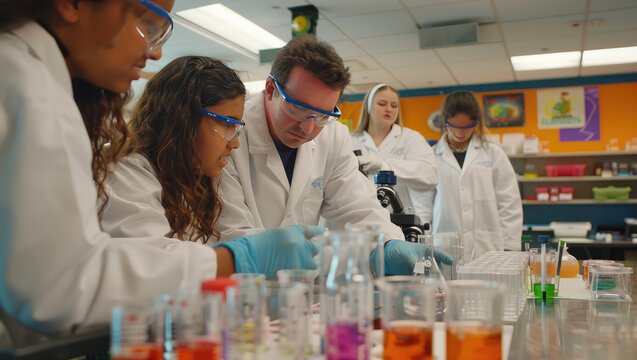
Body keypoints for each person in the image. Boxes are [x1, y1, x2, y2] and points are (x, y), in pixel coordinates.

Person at [0, 0, 316, 334]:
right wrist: (235, 261)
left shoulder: (32, 78)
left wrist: (272, 250)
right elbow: (61, 284)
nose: (154, 53)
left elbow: (232, 233)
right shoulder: (27, 86)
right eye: (148, 23)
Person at [217, 34, 451, 275]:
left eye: (322, 114)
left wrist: (387, 243)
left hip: (302, 292)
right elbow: (230, 233)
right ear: (270, 90)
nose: (308, 128)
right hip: (240, 289)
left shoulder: (332, 136)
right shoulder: (229, 131)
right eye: (298, 108)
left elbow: (357, 206)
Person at [100, 55, 321, 280]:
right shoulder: (126, 174)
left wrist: (282, 249)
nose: (235, 143)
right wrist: (245, 258)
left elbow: (237, 234)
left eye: (236, 127)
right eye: (226, 124)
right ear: (183, 119)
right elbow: (151, 266)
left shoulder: (209, 177)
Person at [416, 91, 522, 261]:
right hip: (444, 247)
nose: (460, 132)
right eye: (454, 125)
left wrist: (510, 247)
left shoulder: (493, 154)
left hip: (488, 248)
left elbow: (509, 204)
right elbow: (423, 206)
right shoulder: (432, 156)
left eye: (467, 126)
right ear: (445, 121)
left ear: (477, 123)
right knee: (446, 287)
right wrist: (422, 244)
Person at [351, 83, 437, 224]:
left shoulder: (410, 138)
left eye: (394, 105)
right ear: (368, 107)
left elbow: (430, 176)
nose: (389, 109)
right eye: (382, 104)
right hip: (361, 220)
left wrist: (386, 166)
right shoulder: (351, 140)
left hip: (399, 220)